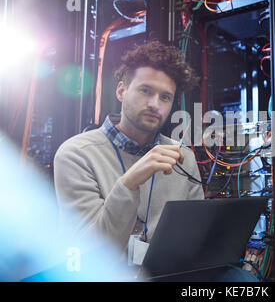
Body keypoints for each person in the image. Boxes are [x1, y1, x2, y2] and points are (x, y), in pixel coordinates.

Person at [53, 41, 258, 282]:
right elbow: (90, 250)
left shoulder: (181, 156)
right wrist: (128, 184)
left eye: (165, 97)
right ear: (121, 91)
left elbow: (195, 238)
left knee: (241, 281)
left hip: (170, 273)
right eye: (145, 91)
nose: (154, 104)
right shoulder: (77, 153)